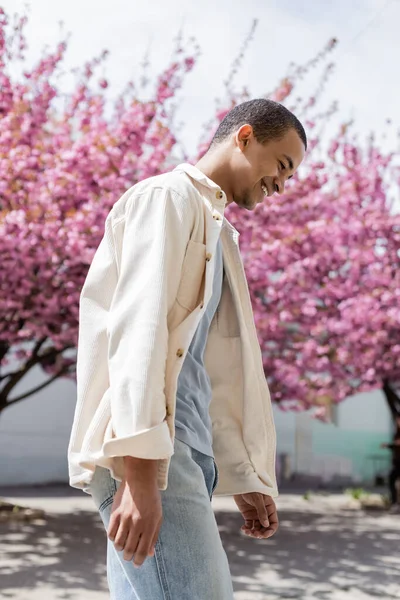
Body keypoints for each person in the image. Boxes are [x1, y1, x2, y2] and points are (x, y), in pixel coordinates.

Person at [67, 98, 306, 599]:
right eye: (282, 165)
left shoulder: (218, 232)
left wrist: (244, 473)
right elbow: (139, 332)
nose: (283, 184)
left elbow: (207, 368)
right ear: (244, 137)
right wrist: (139, 471)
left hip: (182, 454)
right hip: (152, 456)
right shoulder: (167, 199)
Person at [381, 382, 400, 513]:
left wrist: (389, 445)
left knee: (393, 479)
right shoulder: (397, 432)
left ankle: (395, 502)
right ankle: (394, 502)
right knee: (392, 480)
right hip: (397, 460)